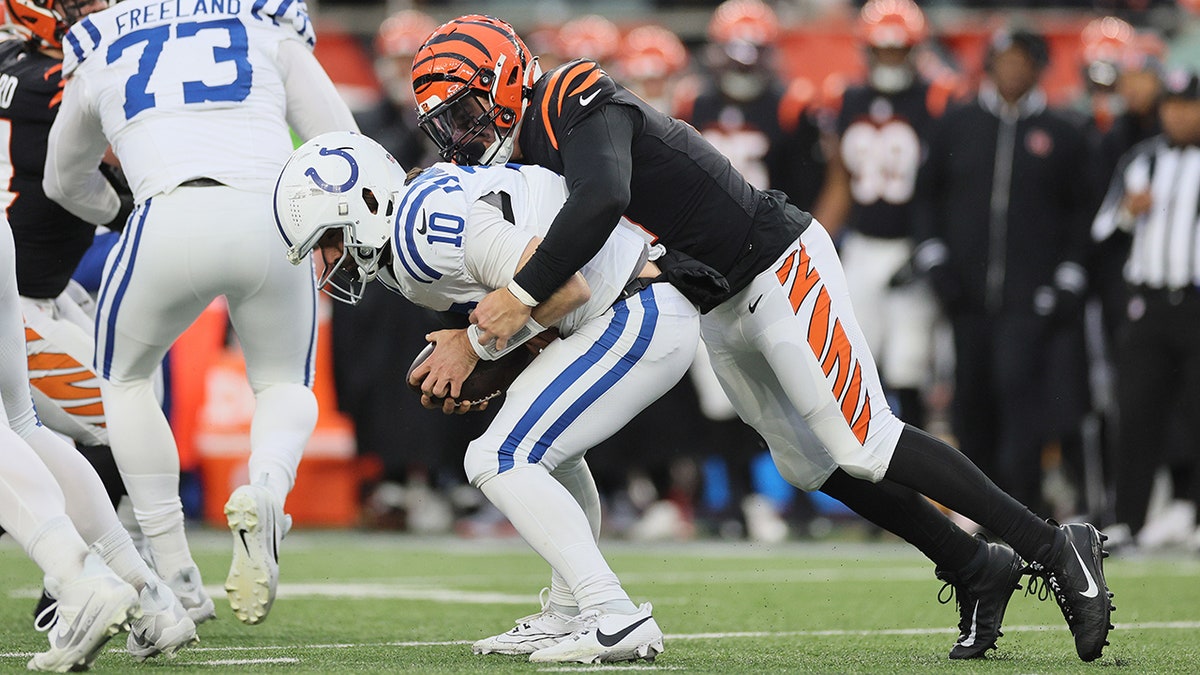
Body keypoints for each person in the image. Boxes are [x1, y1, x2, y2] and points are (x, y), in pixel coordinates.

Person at [411, 15, 1114, 662]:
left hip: (776, 263)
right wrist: (495, 344)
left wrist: (518, 300)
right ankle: (973, 565)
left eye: (466, 113)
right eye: (448, 125)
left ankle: (1057, 545)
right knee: (812, 464)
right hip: (714, 299)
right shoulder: (522, 164)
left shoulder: (572, 92)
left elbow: (604, 198)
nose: (463, 136)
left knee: (865, 440)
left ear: (506, 80)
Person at [274, 130, 698, 663]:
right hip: (620, 310)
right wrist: (490, 356)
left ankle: (611, 610)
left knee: (497, 456)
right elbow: (541, 311)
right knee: (553, 458)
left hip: (636, 308)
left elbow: (567, 287)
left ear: (366, 202)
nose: (328, 260)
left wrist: (472, 348)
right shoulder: (410, 234)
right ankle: (568, 613)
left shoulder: (423, 227)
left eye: (330, 239)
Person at [42, 0, 358, 626]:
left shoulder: (102, 39)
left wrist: (116, 209)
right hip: (274, 215)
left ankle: (175, 572)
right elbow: (342, 141)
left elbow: (62, 179)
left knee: (124, 380)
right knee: (283, 384)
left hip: (168, 212)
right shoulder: (264, 23)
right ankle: (267, 490)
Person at [0, 0, 198, 661]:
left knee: (100, 420)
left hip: (36, 295)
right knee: (30, 425)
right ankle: (152, 592)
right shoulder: (63, 77)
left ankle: (83, 580)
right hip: (21, 279)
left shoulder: (34, 69)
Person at [913, 28, 1095, 518]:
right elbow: (927, 197)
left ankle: (1022, 509)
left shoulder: (1062, 133)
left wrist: (1068, 275)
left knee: (1020, 398)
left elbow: (1080, 212)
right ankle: (977, 510)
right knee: (971, 399)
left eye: (1021, 61)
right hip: (965, 291)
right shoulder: (957, 124)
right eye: (1003, 60)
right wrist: (934, 258)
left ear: (1038, 67)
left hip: (1029, 295)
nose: (1011, 70)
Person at [815, 0, 957, 428]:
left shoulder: (937, 98)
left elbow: (948, 183)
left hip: (911, 244)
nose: (890, 59)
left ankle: (913, 454)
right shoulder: (846, 98)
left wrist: (936, 245)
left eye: (898, 50)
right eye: (883, 49)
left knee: (908, 362)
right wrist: (816, 239)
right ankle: (868, 450)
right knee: (854, 358)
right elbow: (839, 179)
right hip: (861, 245)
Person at [1091, 67, 1200, 551]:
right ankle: (1127, 518)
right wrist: (1127, 212)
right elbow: (1101, 227)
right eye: (1172, 106)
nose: (1179, 115)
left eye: (1189, 106)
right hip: (1149, 303)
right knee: (1135, 412)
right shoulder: (1141, 160)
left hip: (1196, 302)